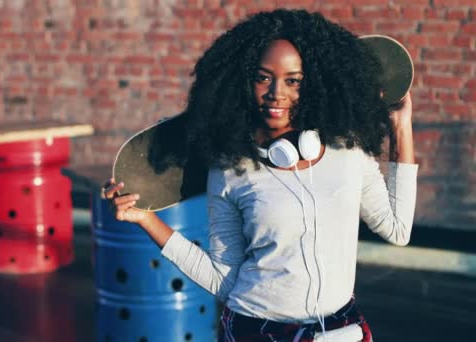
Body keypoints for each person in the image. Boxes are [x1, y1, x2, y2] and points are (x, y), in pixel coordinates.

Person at [103, 8, 417, 342]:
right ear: (242, 81)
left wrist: (401, 127)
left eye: (293, 81)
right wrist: (146, 219)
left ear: (314, 84)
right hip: (259, 330)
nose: (276, 93)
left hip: (341, 330)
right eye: (263, 77)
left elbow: (397, 229)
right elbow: (223, 278)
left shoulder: (349, 152)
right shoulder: (231, 169)